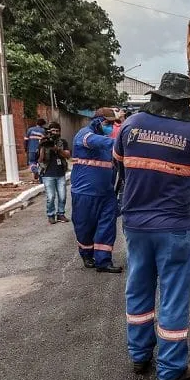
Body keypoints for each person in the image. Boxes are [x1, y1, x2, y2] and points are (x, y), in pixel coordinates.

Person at [114, 72, 190, 380]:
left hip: (136, 225)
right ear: (184, 103)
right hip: (173, 229)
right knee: (173, 296)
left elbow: (118, 163)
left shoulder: (129, 126)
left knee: (138, 288)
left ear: (157, 97)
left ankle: (140, 356)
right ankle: (170, 369)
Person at [71, 107, 123, 273]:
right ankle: (87, 253)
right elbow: (94, 141)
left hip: (106, 193)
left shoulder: (105, 139)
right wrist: (120, 142)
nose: (110, 126)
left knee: (107, 225)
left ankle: (103, 261)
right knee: (84, 226)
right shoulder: (84, 135)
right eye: (108, 123)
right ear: (98, 121)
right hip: (85, 192)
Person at [37, 121, 70, 225]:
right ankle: (51, 215)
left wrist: (57, 149)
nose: (55, 132)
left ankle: (61, 214)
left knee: (63, 196)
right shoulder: (44, 141)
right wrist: (42, 146)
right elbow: (40, 160)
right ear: (49, 131)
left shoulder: (63, 142)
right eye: (53, 131)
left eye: (57, 130)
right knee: (50, 197)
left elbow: (68, 155)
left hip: (60, 173)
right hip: (48, 174)